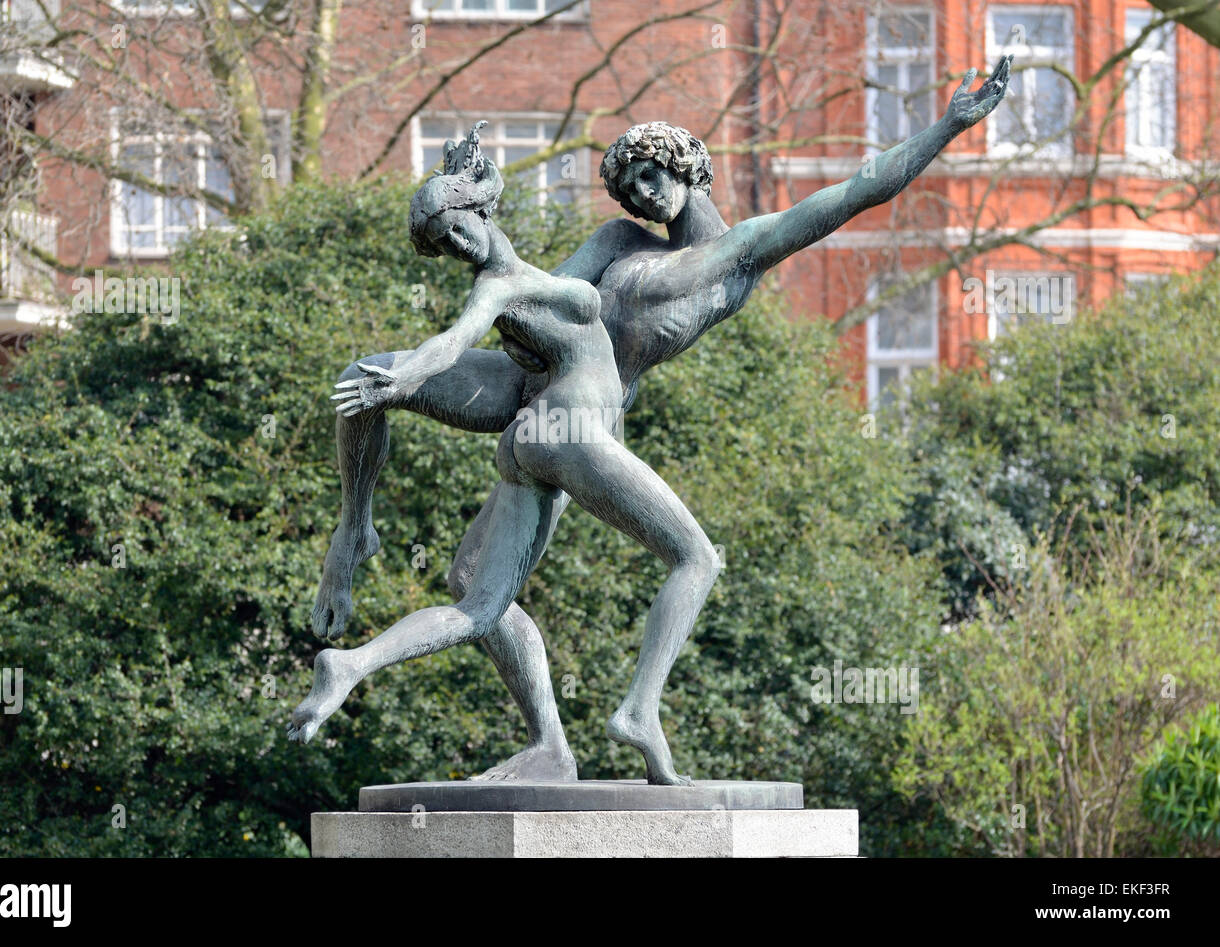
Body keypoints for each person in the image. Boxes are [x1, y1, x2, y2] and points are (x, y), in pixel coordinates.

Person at [310, 57, 1012, 780]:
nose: (644, 193)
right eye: (632, 184)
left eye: (651, 174)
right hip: (536, 384)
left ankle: (582, 730)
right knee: (366, 380)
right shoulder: (619, 241)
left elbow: (858, 189)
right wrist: (472, 287)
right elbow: (537, 291)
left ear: (688, 166)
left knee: (500, 586)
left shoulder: (740, 254)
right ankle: (354, 531)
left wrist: (948, 126)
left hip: (575, 411)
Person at [290, 123, 721, 786]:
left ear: (481, 211)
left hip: (529, 433)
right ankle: (639, 710)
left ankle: (356, 664)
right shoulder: (506, 285)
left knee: (477, 602)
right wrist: (411, 373)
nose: (458, 246)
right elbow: (455, 339)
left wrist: (947, 126)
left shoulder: (543, 272)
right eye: (445, 245)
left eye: (457, 229)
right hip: (563, 429)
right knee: (695, 556)